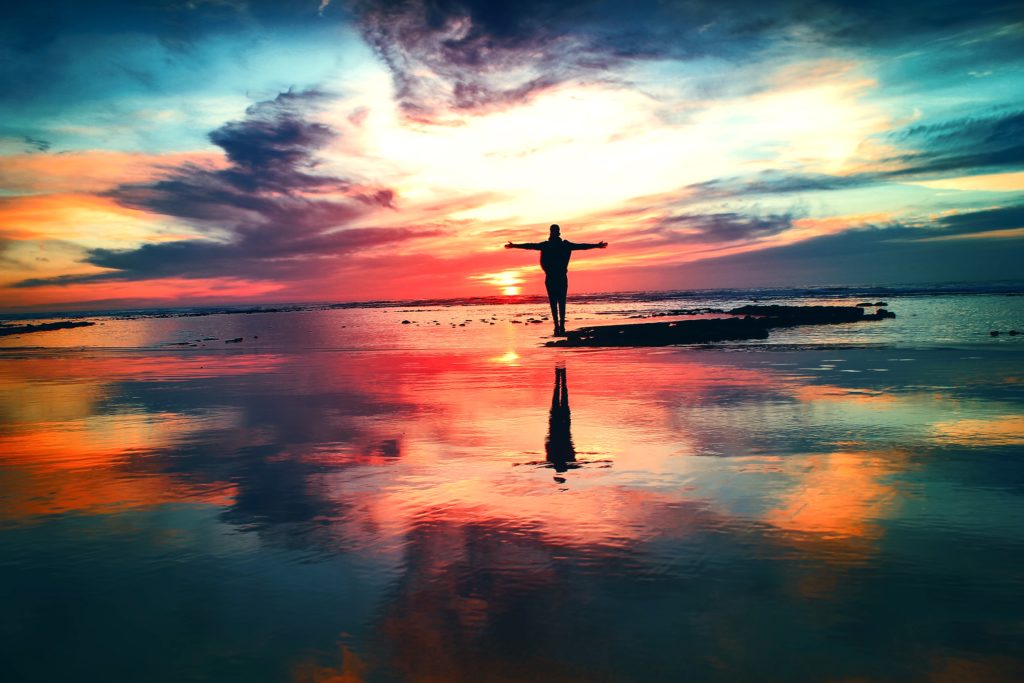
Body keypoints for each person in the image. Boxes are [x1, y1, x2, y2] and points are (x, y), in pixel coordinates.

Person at [505, 224, 608, 336]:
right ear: (557, 232)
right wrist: (515, 245)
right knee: (558, 302)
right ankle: (559, 325)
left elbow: (581, 246)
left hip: (555, 277)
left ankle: (558, 325)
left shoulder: (554, 245)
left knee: (556, 302)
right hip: (556, 277)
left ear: (552, 232)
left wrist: (596, 245)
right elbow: (530, 245)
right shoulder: (558, 245)